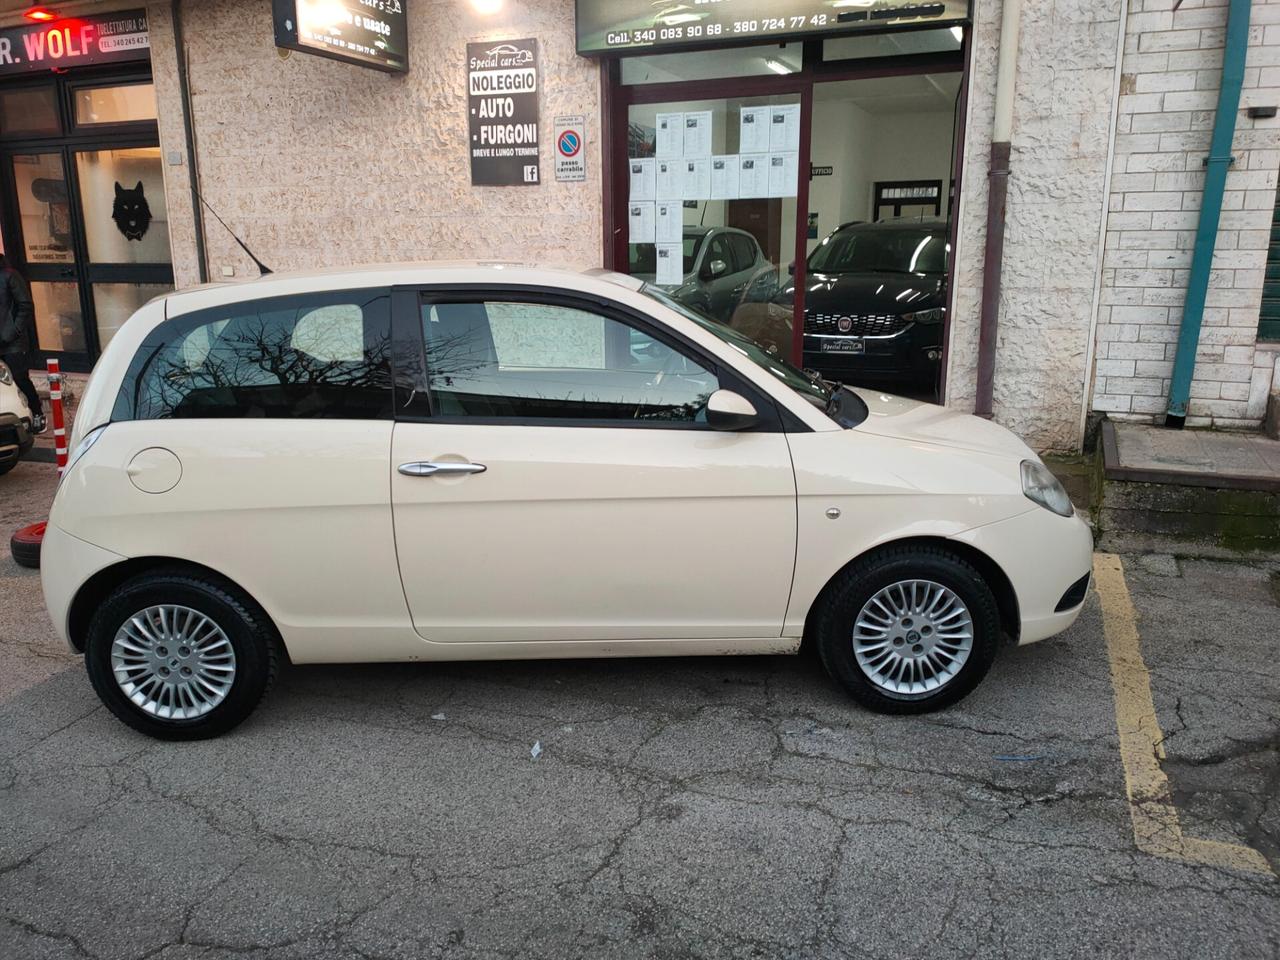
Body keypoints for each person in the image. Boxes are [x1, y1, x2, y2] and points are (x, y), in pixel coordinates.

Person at [0, 253, 44, 433]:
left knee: (19, 379)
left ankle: (37, 413)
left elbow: (25, 305)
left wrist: (13, 331)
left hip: (13, 342)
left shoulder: (10, 275)